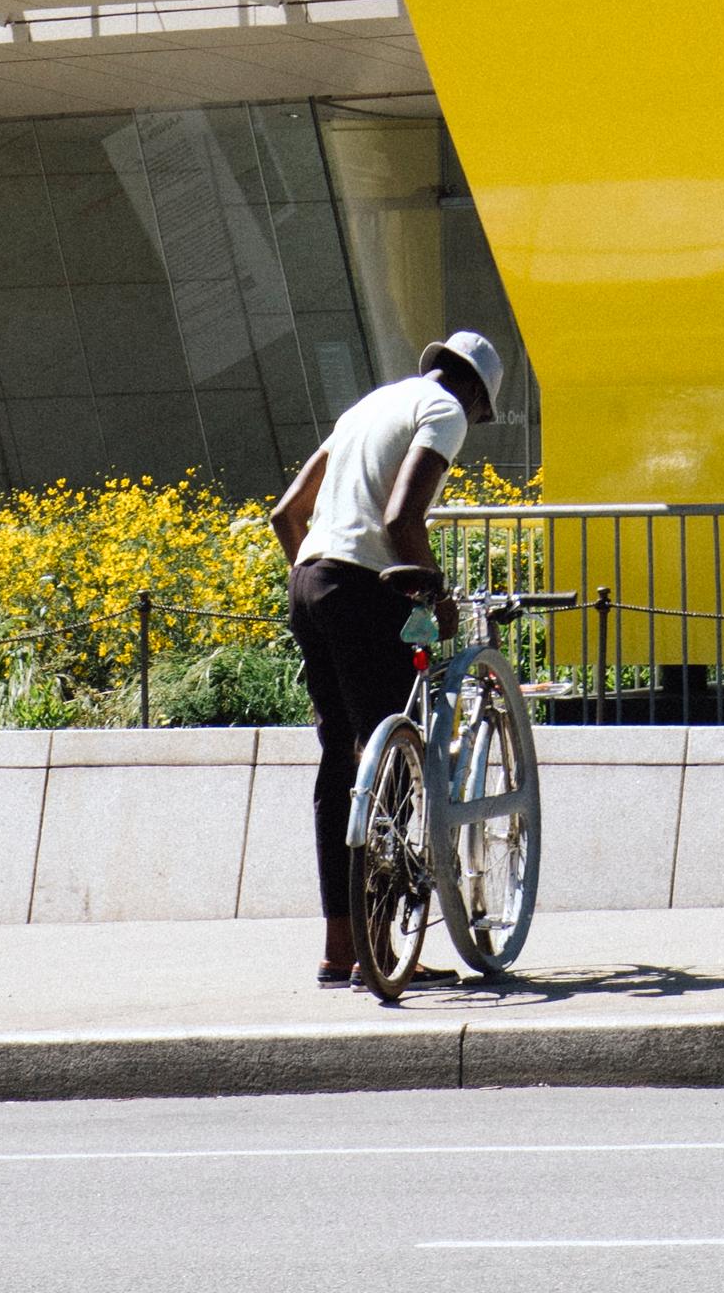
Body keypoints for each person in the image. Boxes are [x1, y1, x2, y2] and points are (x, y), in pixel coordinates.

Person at [269, 325, 505, 988]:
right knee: (393, 760)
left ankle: (340, 947)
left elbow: (289, 515)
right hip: (363, 590)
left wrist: (322, 586)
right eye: (482, 414)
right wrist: (438, 597)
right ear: (476, 394)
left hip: (309, 580)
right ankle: (381, 955)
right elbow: (404, 518)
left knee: (342, 762)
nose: (473, 423)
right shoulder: (444, 409)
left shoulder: (369, 405)